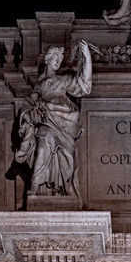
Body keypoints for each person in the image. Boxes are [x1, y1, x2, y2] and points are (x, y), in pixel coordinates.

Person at [14, 41, 93, 196]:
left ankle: (63, 187)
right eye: (55, 57)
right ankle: (36, 186)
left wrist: (87, 58)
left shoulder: (63, 81)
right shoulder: (39, 86)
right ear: (47, 59)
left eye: (60, 58)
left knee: (65, 155)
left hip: (64, 121)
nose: (58, 61)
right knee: (42, 147)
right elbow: (28, 105)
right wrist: (29, 114)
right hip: (46, 120)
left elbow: (84, 84)